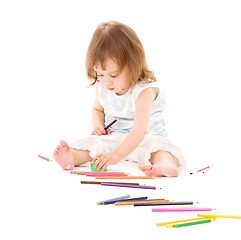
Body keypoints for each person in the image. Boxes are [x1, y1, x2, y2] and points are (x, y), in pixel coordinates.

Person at [53, 21, 186, 177]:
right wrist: (98, 126)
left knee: (159, 149)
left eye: (113, 75)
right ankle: (72, 157)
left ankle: (164, 165)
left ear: (133, 65)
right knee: (95, 144)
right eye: (100, 74)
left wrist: (116, 156)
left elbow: (139, 131)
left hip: (146, 138)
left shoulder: (144, 91)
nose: (106, 81)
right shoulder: (102, 86)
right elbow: (97, 109)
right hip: (115, 138)